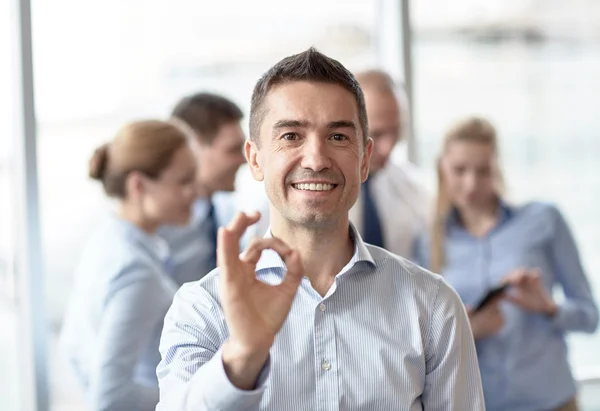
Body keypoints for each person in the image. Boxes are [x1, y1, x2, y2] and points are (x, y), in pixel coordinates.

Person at [156, 48, 484, 410]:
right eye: (291, 136)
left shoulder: (433, 305)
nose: (315, 159)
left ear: (364, 159)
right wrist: (242, 357)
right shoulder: (201, 309)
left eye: (338, 137)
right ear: (254, 159)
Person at [413, 117, 598, 411]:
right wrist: (468, 330)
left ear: (497, 168)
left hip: (552, 402)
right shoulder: (426, 244)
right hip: (478, 403)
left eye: (483, 170)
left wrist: (549, 308)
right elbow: (419, 345)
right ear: (442, 167)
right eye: (460, 170)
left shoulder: (544, 220)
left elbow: (590, 317)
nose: (471, 183)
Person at [60, 120, 197, 411]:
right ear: (138, 185)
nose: (195, 193)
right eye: (184, 182)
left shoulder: (108, 239)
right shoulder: (136, 271)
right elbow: (110, 399)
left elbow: (73, 347)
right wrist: (189, 392)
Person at [238, 69, 430, 258]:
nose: (388, 148)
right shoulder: (279, 200)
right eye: (377, 133)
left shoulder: (415, 192)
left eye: (395, 132)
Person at [158, 92, 247, 286]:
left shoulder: (226, 211)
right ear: (193, 147)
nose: (244, 160)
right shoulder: (160, 227)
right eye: (233, 150)